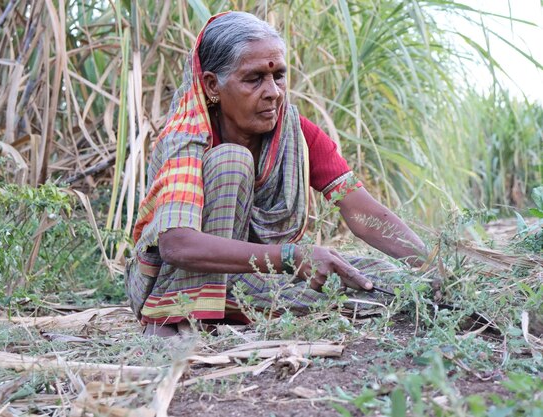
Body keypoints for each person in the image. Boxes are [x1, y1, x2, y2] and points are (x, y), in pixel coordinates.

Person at [125, 11, 427, 337]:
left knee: (380, 280)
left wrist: (429, 266)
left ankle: (232, 310)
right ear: (213, 85)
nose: (273, 92)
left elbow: (361, 211)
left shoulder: (295, 133)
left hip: (253, 277)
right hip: (176, 279)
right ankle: (175, 318)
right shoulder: (186, 138)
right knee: (231, 160)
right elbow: (177, 246)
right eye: (254, 79)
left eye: (279, 76)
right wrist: (289, 256)